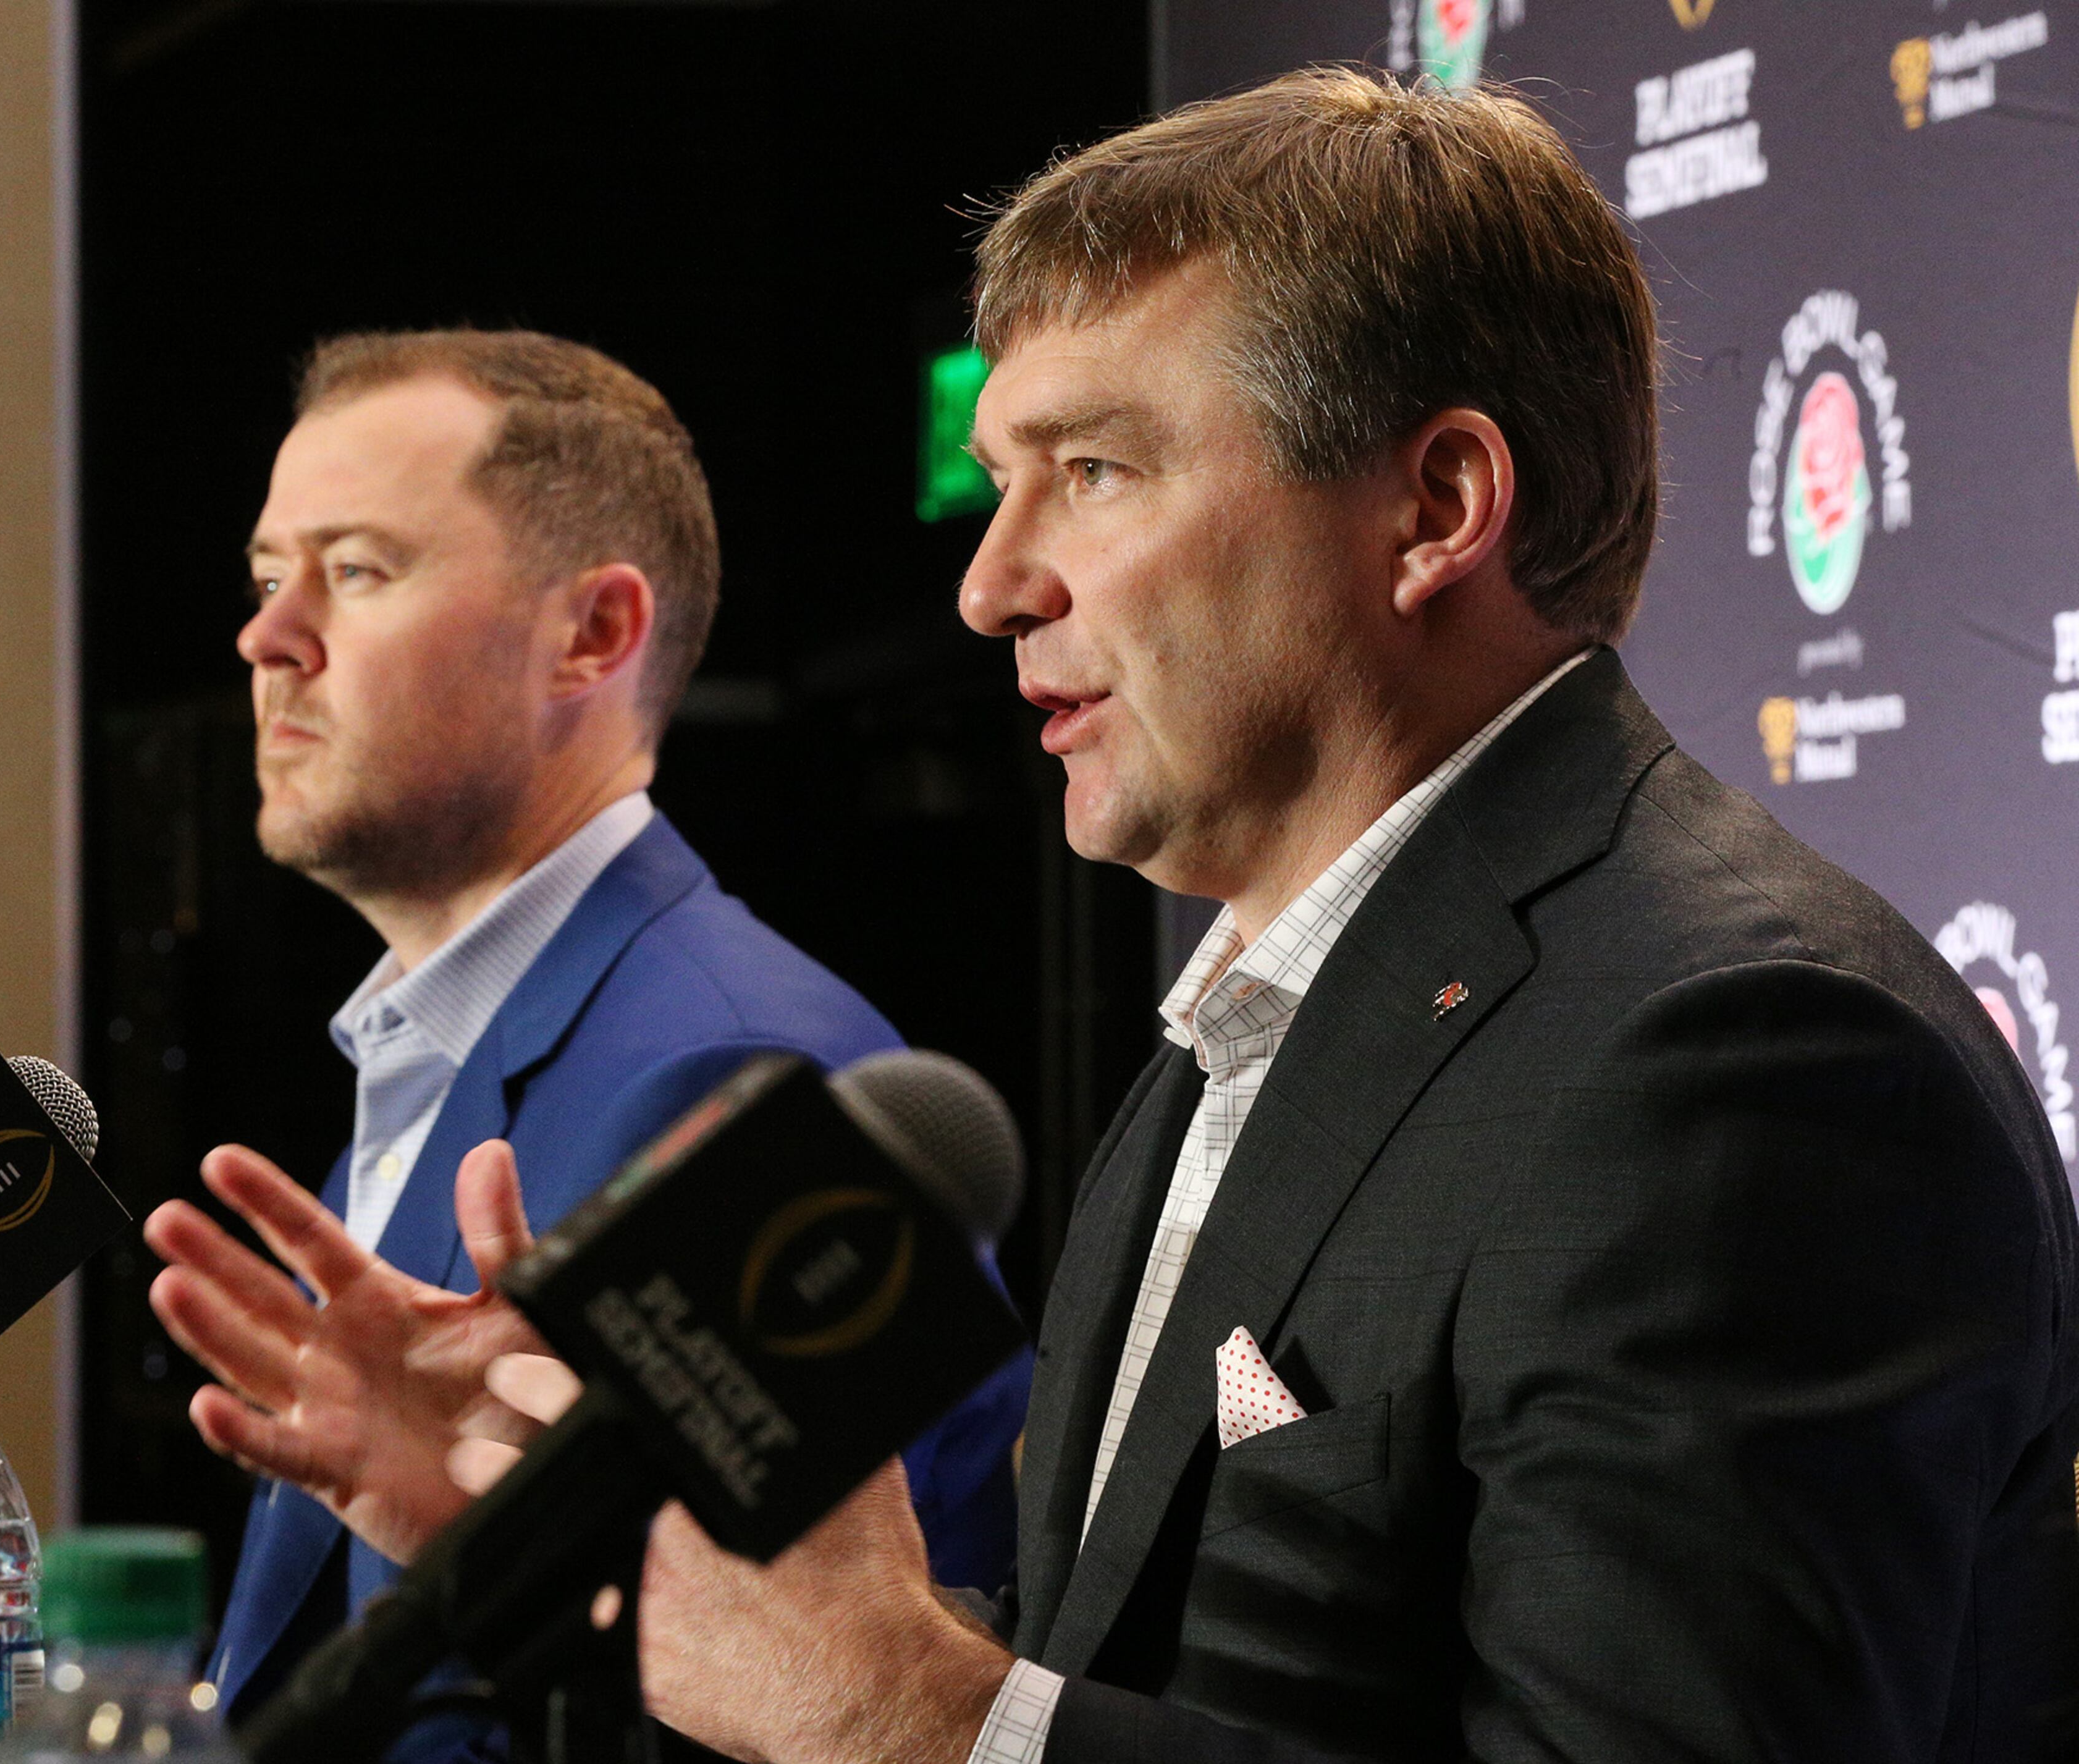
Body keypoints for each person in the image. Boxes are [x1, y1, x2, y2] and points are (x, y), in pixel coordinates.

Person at [594, 70, 2079, 1761]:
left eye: (1091, 468)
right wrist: (621, 1580)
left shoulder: (1741, 1056)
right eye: (1003, 478)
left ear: (1436, 510)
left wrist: (924, 1724)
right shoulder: (1251, 1018)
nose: (992, 583)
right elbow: (1163, 1679)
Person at [138, 329, 1032, 1750]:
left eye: (355, 571)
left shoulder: (737, 1078)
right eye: (265, 579)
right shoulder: (449, 1033)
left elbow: (789, 1707)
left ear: (595, 637)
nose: (267, 638)